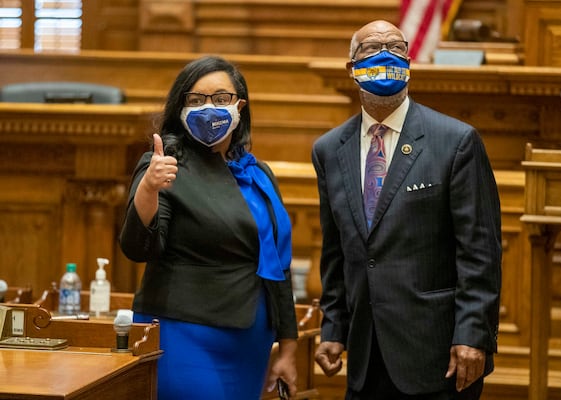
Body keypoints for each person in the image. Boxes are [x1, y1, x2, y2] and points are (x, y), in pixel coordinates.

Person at [311, 20, 502, 400]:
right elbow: (336, 253)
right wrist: (333, 329)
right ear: (351, 69)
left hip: (438, 353)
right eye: (370, 47)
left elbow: (479, 253)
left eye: (395, 47)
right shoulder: (330, 149)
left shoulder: (456, 141)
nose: (385, 55)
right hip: (366, 355)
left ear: (409, 62)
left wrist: (473, 335)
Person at [119, 55, 298, 400]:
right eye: (196, 100)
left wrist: (288, 349)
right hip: (184, 331)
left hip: (252, 339)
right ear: (181, 106)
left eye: (221, 99)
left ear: (240, 106)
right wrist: (148, 189)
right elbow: (138, 248)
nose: (209, 108)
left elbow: (280, 266)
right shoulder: (166, 164)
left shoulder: (259, 174)